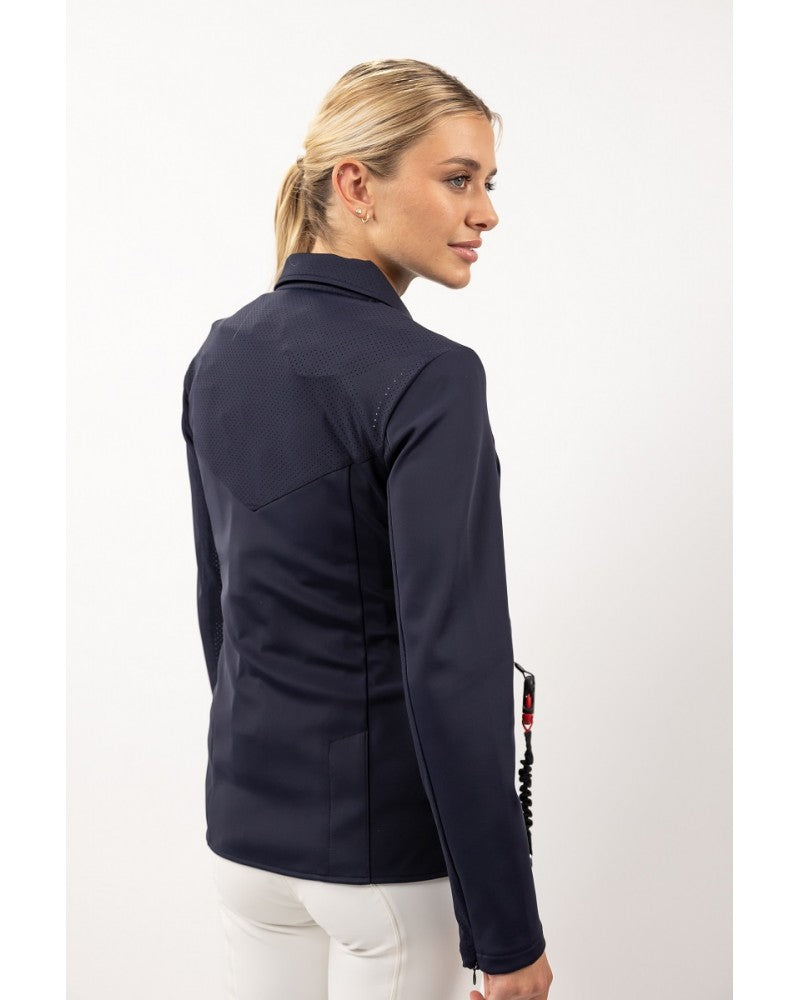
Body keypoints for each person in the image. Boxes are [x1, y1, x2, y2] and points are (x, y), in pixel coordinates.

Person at [181, 58, 554, 1000]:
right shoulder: (430, 377)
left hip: (247, 846)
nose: (486, 213)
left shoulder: (221, 353)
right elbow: (452, 664)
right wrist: (507, 935)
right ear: (357, 185)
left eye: (487, 183)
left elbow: (220, 612)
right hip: (384, 866)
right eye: (458, 179)